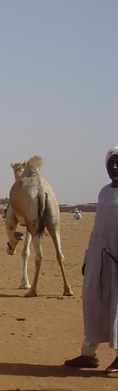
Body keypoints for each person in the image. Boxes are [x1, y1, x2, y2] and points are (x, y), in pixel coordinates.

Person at [64, 146, 118, 375]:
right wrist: (88, 258)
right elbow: (98, 229)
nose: (114, 167)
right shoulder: (104, 192)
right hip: (99, 258)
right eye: (111, 163)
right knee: (94, 302)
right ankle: (89, 353)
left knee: (116, 306)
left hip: (116, 260)